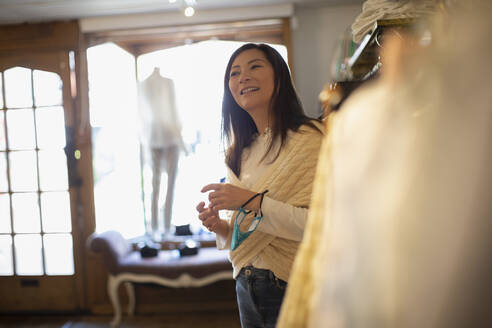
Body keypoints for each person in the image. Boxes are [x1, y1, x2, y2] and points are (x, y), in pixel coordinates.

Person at [196, 43, 324, 328]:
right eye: (234, 73)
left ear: (279, 76)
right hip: (246, 283)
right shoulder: (239, 152)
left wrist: (250, 201)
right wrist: (221, 227)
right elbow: (247, 234)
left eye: (255, 66)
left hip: (294, 284)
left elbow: (321, 226)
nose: (243, 77)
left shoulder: (310, 141)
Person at [137, 68, 186, 239]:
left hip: (164, 136)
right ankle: (157, 227)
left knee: (166, 183)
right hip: (158, 137)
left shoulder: (167, 83)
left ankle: (164, 226)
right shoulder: (143, 85)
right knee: (157, 183)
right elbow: (142, 114)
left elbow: (173, 110)